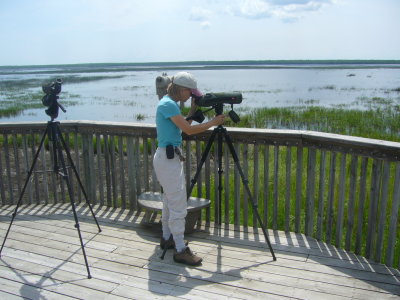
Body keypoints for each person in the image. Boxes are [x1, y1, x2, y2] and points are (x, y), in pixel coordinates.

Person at [153, 71, 225, 266]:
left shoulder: (171, 104)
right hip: (168, 160)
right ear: (181, 89)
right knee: (178, 206)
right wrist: (213, 123)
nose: (191, 96)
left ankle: (168, 238)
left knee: (169, 201)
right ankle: (180, 250)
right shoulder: (168, 104)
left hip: (168, 157)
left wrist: (192, 113)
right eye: (190, 93)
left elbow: (181, 128)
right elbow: (189, 130)